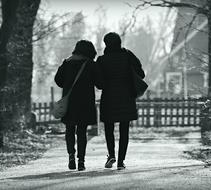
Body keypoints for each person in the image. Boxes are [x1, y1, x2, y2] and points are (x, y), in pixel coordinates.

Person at [96, 32, 145, 170]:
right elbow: (141, 74)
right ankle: (121, 161)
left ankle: (111, 155)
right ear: (119, 42)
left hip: (109, 98)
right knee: (124, 130)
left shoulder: (101, 60)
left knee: (109, 128)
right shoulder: (128, 55)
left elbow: (99, 84)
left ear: (105, 44)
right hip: (126, 97)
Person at [54, 40, 101, 171]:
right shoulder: (91, 64)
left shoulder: (67, 63)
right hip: (85, 103)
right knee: (81, 131)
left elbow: (58, 80)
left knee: (70, 129)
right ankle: (81, 161)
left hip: (70, 103)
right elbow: (100, 84)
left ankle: (71, 156)